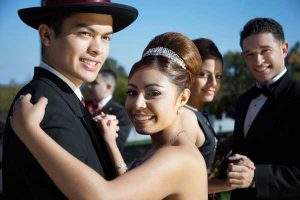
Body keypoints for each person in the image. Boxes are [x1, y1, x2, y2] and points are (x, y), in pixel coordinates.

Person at [10, 32, 208, 200]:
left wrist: (30, 132)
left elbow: (104, 197)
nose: (138, 104)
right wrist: (110, 142)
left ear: (182, 97)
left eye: (153, 93)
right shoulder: (162, 147)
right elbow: (133, 185)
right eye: (132, 92)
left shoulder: (179, 157)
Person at [2, 0, 138, 199]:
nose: (98, 49)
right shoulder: (44, 105)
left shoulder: (63, 96)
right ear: (46, 35)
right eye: (85, 33)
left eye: (106, 37)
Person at [228, 17, 300, 200]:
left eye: (265, 51)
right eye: (249, 54)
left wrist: (256, 178)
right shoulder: (243, 100)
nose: (258, 61)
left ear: (284, 49)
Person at [181, 38, 255, 200]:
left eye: (218, 76)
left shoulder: (197, 113)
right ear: (187, 75)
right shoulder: (185, 117)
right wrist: (230, 183)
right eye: (203, 75)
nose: (213, 83)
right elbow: (181, 184)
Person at [87, 69, 132, 153]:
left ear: (108, 87)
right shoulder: (82, 104)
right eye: (90, 83)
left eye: (95, 83)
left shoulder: (121, 113)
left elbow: (118, 145)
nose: (89, 86)